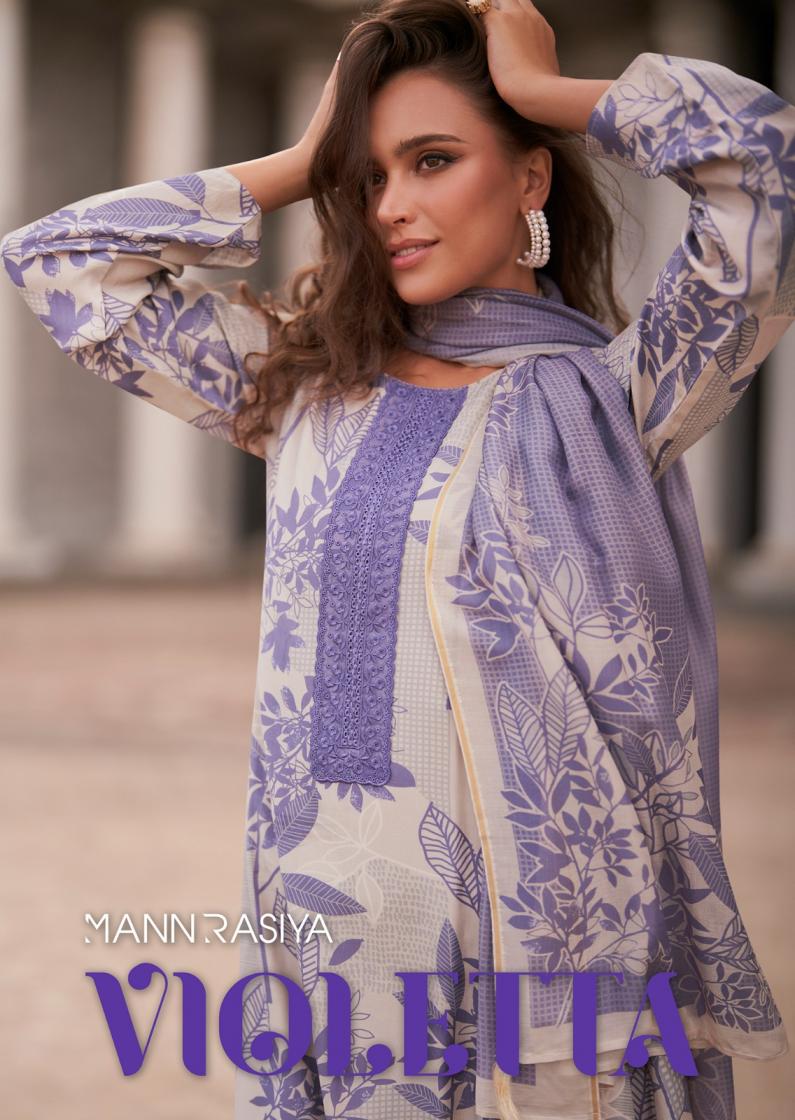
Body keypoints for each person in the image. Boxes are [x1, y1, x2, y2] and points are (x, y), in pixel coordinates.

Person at [1, 0, 792, 1117]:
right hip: (338, 944)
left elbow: (764, 166)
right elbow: (63, 264)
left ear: (528, 178)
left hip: (558, 973)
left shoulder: (626, 397)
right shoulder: (303, 390)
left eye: (433, 160)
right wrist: (299, 159)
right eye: (366, 177)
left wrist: (548, 95)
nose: (390, 207)